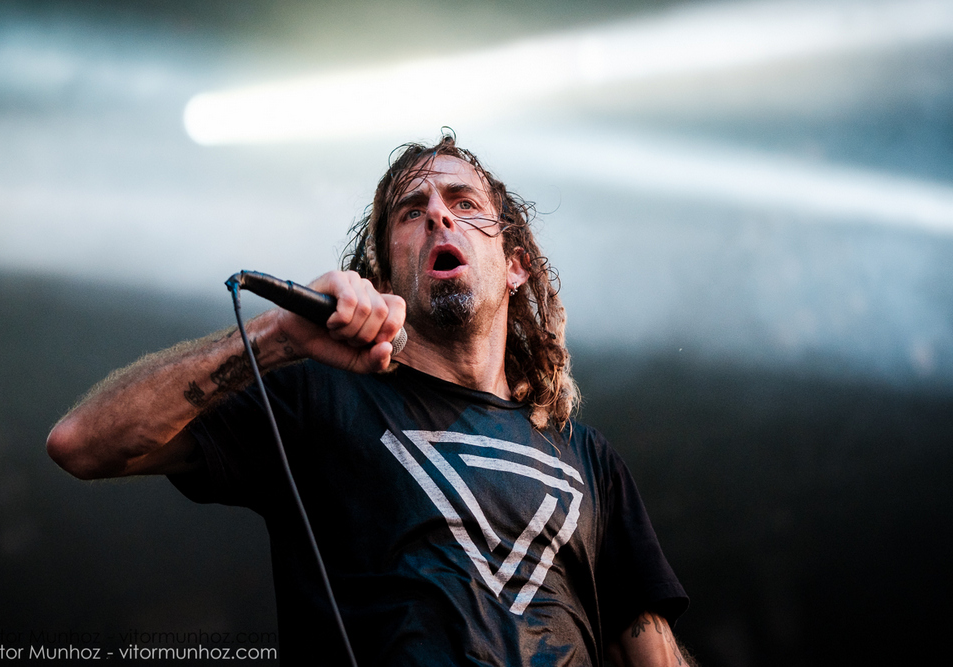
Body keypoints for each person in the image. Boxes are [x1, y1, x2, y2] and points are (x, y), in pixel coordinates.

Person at [47, 135, 694, 666]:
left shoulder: (588, 459)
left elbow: (652, 654)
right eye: (412, 211)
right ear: (384, 276)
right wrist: (277, 337)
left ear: (516, 264)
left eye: (464, 201)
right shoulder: (318, 399)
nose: (439, 214)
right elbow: (83, 442)